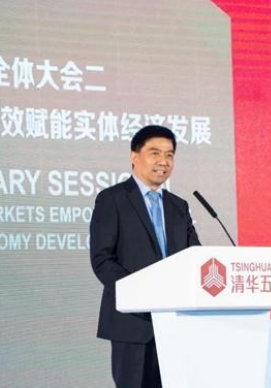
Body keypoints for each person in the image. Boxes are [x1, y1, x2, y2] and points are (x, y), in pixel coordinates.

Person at [90, 125, 201, 388]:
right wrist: (141, 292)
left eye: (170, 155)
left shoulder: (178, 206)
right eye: (155, 153)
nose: (164, 161)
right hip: (134, 324)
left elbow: (194, 257)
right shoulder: (112, 199)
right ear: (134, 156)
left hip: (177, 323)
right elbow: (102, 260)